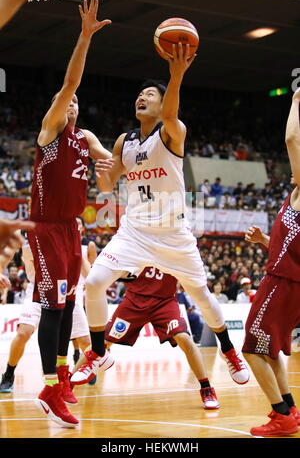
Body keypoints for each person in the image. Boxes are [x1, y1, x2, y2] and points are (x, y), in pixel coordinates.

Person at [71, 42, 249, 388]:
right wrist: (102, 171)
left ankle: (228, 349)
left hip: (173, 234)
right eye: (140, 94)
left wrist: (177, 74)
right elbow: (108, 187)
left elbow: (170, 114)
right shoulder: (125, 141)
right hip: (135, 232)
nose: (142, 97)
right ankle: (97, 352)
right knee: (93, 284)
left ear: (162, 102)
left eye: (150, 94)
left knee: (201, 295)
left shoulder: (172, 132)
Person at [26, 0, 112, 428]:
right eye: (67, 100)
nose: (72, 103)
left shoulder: (85, 137)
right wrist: (84, 36)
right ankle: (47, 386)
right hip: (45, 228)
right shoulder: (50, 132)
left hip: (73, 230)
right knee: (53, 310)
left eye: (77, 102)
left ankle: (61, 377)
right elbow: (70, 81)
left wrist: (112, 164)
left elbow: (106, 165)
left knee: (70, 304)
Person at [74, 267, 220, 410]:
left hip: (165, 302)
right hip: (134, 300)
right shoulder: (137, 243)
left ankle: (206, 389)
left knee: (185, 338)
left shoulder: (176, 246)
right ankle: (68, 385)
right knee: (102, 342)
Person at [241, 88, 300, 437]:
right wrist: (266, 241)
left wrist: (294, 102)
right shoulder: (292, 197)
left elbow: (292, 138)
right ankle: (290, 410)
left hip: (283, 282)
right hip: (289, 280)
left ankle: (281, 417)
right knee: (272, 348)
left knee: (252, 346)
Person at [0, 217, 94, 396]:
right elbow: (6, 254)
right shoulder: (23, 231)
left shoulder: (64, 229)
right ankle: (9, 374)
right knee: (23, 333)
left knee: (86, 343)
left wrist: (95, 285)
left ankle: (71, 379)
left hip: (66, 292)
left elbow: (83, 265)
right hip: (37, 288)